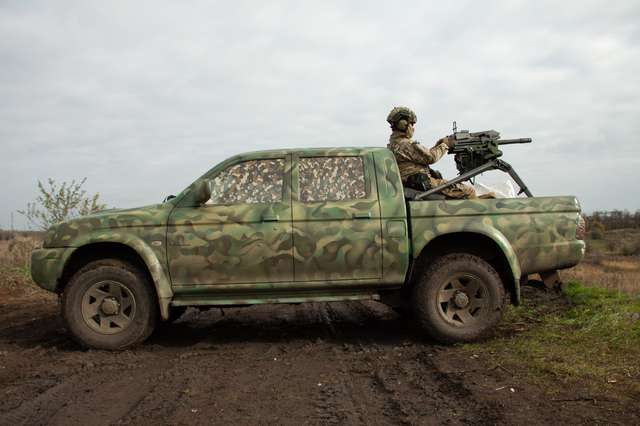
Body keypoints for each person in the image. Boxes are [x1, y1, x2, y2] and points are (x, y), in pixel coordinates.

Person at [386, 106, 477, 199]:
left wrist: (439, 145)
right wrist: (446, 145)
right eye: (411, 124)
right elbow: (430, 158)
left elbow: (423, 156)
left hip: (414, 182)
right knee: (469, 191)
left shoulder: (395, 144)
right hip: (421, 183)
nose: (412, 128)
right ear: (404, 124)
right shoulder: (405, 143)